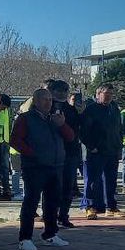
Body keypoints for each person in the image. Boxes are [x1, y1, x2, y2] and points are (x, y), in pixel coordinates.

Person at [9, 88, 74, 250]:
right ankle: (25, 238)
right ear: (36, 101)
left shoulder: (54, 119)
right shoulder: (26, 119)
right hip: (35, 167)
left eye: (50, 100)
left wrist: (62, 124)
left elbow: (71, 137)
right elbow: (15, 140)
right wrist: (33, 154)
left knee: (52, 202)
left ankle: (50, 234)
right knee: (31, 202)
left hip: (55, 166)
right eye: (44, 99)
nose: (48, 103)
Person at [80, 84, 125, 219]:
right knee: (93, 181)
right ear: (98, 94)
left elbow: (118, 128)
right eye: (106, 93)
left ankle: (110, 206)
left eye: (111, 93)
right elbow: (83, 131)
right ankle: (90, 206)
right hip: (96, 152)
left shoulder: (114, 108)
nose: (109, 96)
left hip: (111, 150)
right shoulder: (91, 109)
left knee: (111, 180)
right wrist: (91, 146)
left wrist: (119, 144)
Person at [46, 80, 83, 228]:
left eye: (65, 90)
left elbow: (77, 130)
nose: (62, 93)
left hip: (70, 152)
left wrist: (81, 114)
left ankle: (63, 216)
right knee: (51, 187)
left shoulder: (72, 109)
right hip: (51, 153)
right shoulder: (46, 107)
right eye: (58, 90)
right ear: (52, 91)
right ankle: (50, 216)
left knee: (68, 186)